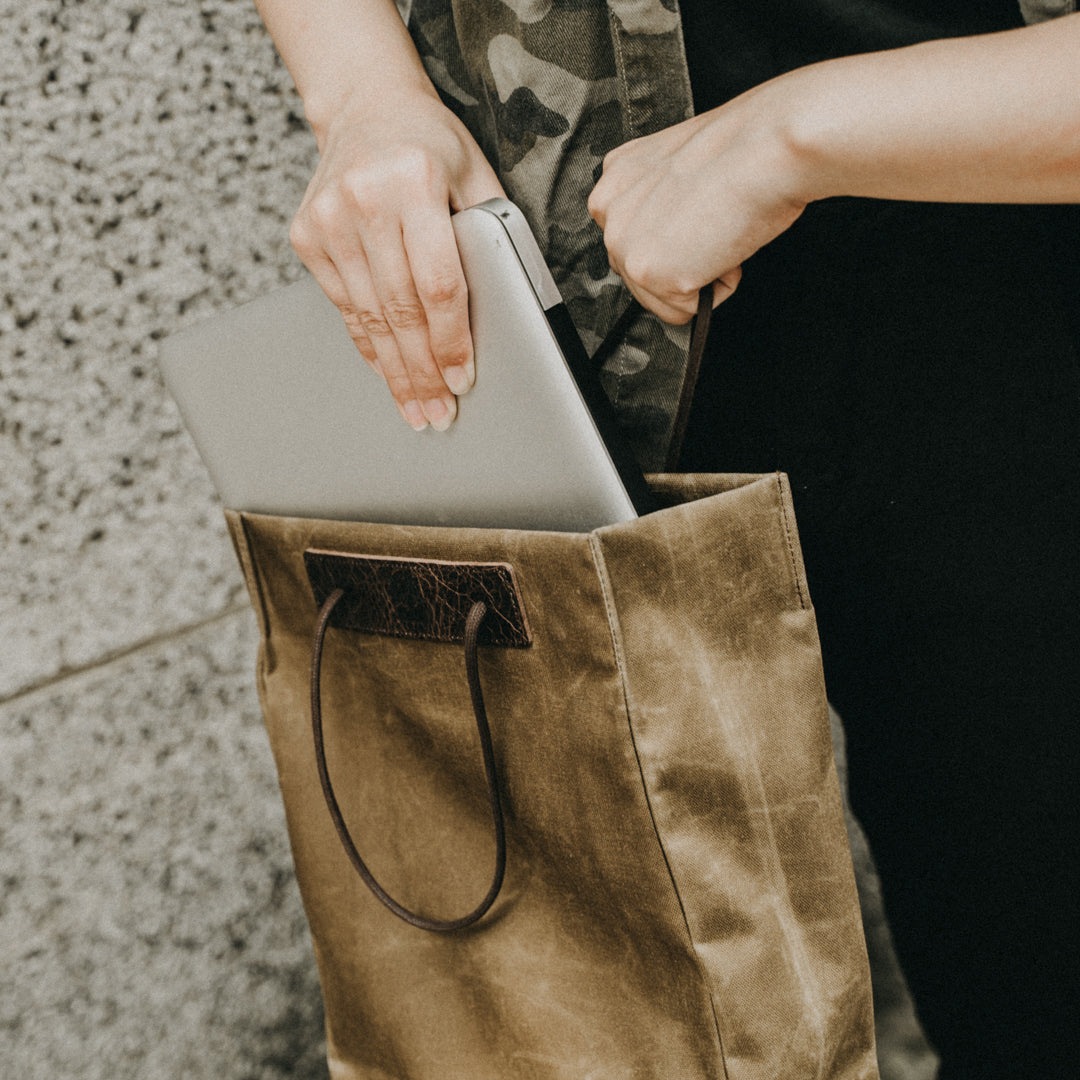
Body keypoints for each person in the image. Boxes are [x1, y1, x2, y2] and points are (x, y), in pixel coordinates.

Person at [252, 2, 1079, 1076]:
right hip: (563, 312)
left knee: (1039, 966)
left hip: (1019, 291)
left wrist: (788, 136)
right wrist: (364, 95)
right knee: (579, 1010)